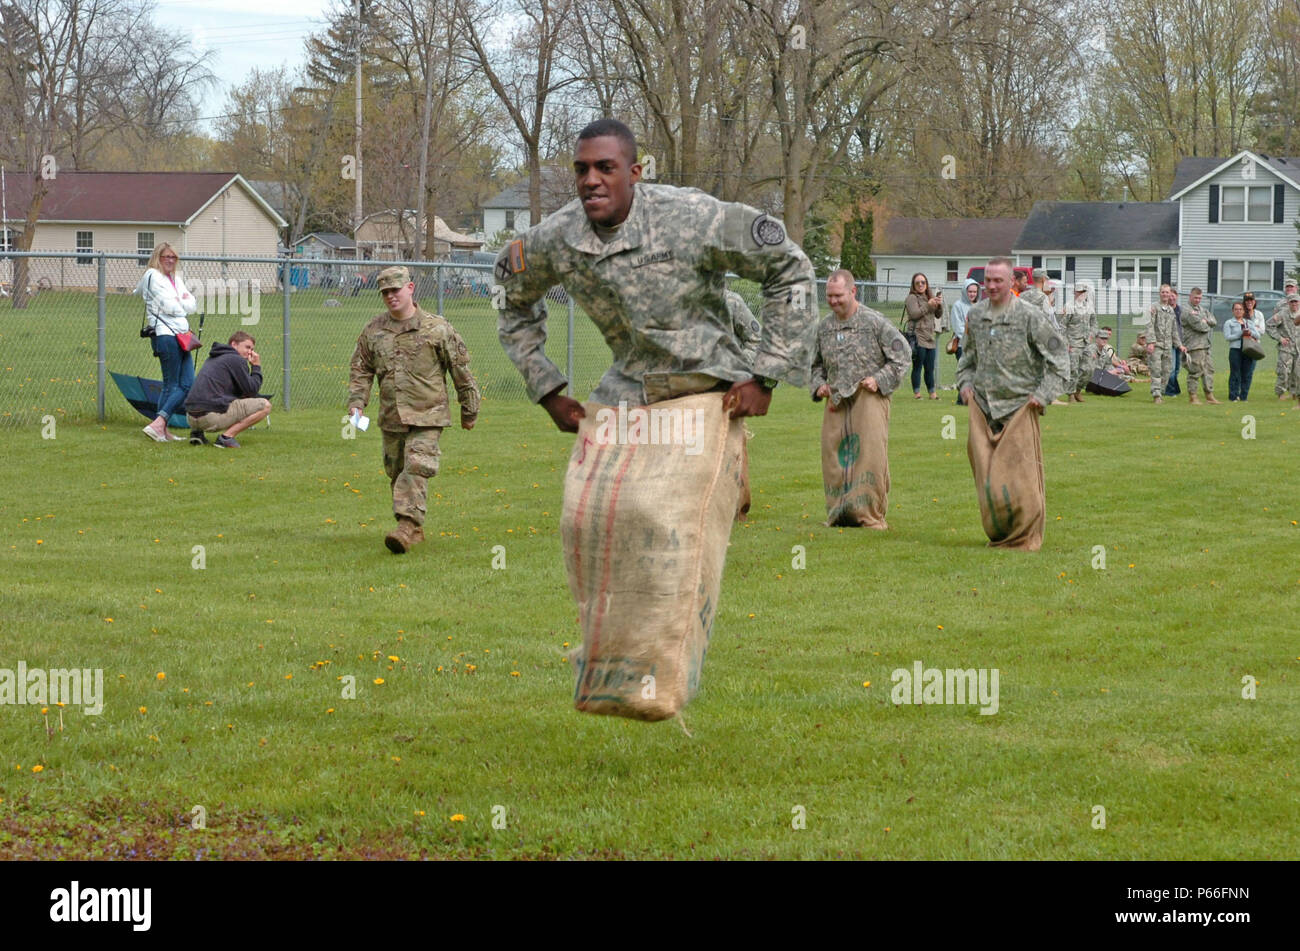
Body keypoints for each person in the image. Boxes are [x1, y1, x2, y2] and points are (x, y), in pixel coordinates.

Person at [348, 265, 480, 553]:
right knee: (396, 472)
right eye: (385, 292)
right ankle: (415, 529)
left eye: (395, 290)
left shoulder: (437, 328)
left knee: (416, 467)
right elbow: (361, 370)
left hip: (428, 414)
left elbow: (460, 371)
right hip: (391, 416)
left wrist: (469, 409)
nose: (390, 296)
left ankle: (406, 527)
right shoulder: (373, 331)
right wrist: (357, 404)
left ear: (410, 288)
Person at [956, 257, 1068, 550]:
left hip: (1019, 409)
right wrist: (965, 385)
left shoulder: (1030, 316)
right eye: (988, 280)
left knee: (1023, 483)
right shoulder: (977, 316)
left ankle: (1025, 537)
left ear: (1011, 282)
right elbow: (966, 358)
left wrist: (1042, 396)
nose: (991, 286)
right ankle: (999, 532)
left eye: (998, 281)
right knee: (988, 481)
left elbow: (1059, 360)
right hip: (983, 410)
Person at [810, 269, 910, 528]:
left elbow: (902, 355)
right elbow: (815, 365)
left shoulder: (874, 322)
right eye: (829, 296)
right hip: (836, 402)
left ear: (853, 292)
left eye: (838, 296)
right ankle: (839, 513)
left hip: (869, 399)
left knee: (869, 457)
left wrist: (879, 380)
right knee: (834, 459)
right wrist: (819, 385)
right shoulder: (824, 327)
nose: (833, 301)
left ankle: (869, 515)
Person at [134, 242, 197, 442]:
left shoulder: (175, 279)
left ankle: (161, 428)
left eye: (173, 257)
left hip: (182, 334)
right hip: (165, 335)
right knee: (176, 384)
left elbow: (192, 305)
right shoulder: (152, 276)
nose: (170, 260)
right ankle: (159, 425)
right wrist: (181, 301)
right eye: (166, 257)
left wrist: (180, 301)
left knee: (184, 383)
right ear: (157, 258)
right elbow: (171, 307)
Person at [184, 331, 271, 447]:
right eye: (247, 347)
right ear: (234, 344)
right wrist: (256, 367)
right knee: (265, 406)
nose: (250, 352)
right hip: (209, 418)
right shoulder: (236, 359)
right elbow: (251, 390)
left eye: (252, 349)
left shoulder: (213, 358)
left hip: (190, 418)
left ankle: (197, 434)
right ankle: (226, 437)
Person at [903, 272, 942, 399]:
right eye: (917, 283)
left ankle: (932, 393)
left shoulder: (929, 296)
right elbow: (914, 314)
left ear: (926, 284)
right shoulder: (911, 298)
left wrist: (939, 304)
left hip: (929, 336)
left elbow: (938, 315)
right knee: (918, 366)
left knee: (930, 367)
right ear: (913, 285)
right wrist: (928, 305)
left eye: (923, 282)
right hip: (917, 336)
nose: (920, 285)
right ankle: (917, 393)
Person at [1145, 284, 1184, 403]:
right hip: (1157, 344)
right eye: (1163, 292)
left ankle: (1161, 392)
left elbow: (1174, 330)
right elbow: (1149, 325)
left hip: (1168, 346)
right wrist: (1151, 342)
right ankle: (1156, 395)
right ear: (1159, 293)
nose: (1165, 294)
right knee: (1156, 370)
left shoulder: (1171, 310)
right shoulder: (1154, 308)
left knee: (1167, 371)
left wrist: (1179, 345)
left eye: (1167, 292)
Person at [1180, 287, 1219, 404]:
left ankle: (1209, 395)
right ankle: (1193, 396)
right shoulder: (1187, 310)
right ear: (1190, 297)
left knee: (1209, 370)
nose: (1197, 300)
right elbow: (1200, 327)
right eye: (1195, 297)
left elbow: (1214, 321)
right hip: (1194, 345)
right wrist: (1206, 322)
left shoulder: (1202, 309)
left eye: (1199, 298)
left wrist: (1205, 320)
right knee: (1195, 371)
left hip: (1205, 345)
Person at [1223, 299, 1266, 401]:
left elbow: (1258, 335)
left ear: (1243, 311)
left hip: (1248, 350)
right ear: (1233, 311)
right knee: (1235, 373)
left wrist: (1250, 332)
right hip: (1235, 350)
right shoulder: (1229, 323)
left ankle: (1244, 396)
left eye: (1240, 309)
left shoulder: (1249, 322)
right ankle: (1233, 396)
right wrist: (1240, 334)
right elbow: (1227, 337)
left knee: (1247, 374)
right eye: (1236, 309)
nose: (1238, 311)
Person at [1061, 283, 1098, 401]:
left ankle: (1078, 390)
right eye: (1080, 292)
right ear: (1075, 293)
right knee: (1073, 369)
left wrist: (1092, 334)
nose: (1082, 294)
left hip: (1086, 342)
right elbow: (1062, 326)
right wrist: (1066, 343)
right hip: (1073, 342)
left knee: (1089, 368)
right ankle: (1071, 394)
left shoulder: (1089, 306)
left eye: (1084, 292)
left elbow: (1094, 323)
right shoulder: (1069, 306)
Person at [949, 278, 979, 404]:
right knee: (964, 372)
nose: (972, 294)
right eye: (970, 291)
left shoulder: (978, 306)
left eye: (974, 292)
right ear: (965, 292)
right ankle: (961, 399)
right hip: (963, 345)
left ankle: (972, 397)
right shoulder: (958, 306)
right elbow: (958, 327)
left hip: (976, 346)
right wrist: (970, 338)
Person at [1266, 289, 1299, 400]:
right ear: (1288, 303)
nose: (1294, 304)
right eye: (1292, 302)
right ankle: (1281, 394)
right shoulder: (1282, 314)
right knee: (1283, 371)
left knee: (1296, 373)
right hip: (1286, 348)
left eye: (1296, 301)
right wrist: (1280, 338)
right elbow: (1269, 325)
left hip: (1298, 348)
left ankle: (1294, 394)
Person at [1163, 286, 1185, 396]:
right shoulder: (1165, 310)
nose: (1171, 297)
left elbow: (1183, 326)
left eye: (1173, 295)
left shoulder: (1181, 310)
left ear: (1176, 296)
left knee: (1177, 368)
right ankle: (1169, 391)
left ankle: (1174, 389)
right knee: (1170, 368)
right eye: (1169, 295)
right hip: (1169, 342)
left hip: (1180, 342)